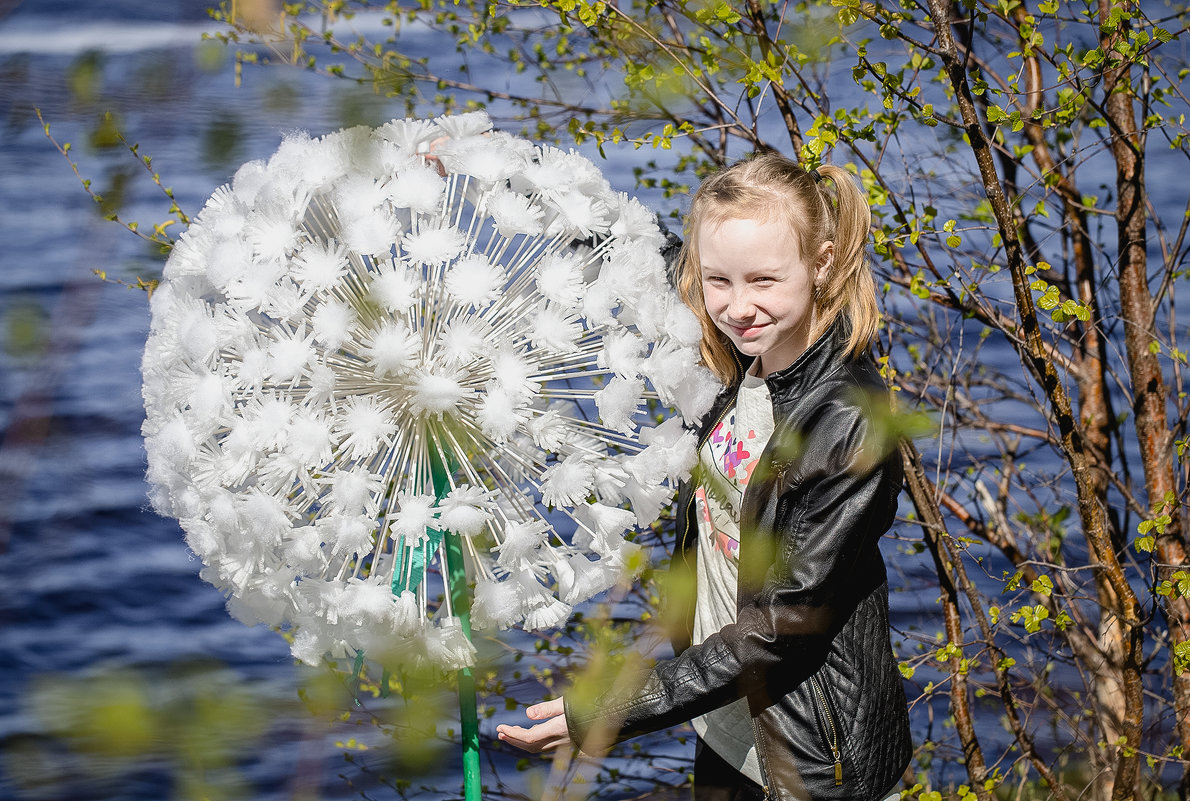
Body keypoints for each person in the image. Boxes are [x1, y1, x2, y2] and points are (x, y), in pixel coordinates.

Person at [496, 152, 912, 801]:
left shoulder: (848, 422)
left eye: (764, 280)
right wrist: (504, 173)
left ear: (823, 262)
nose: (739, 306)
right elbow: (641, 253)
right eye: (718, 279)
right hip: (725, 728)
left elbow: (782, 626)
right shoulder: (746, 354)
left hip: (806, 760)